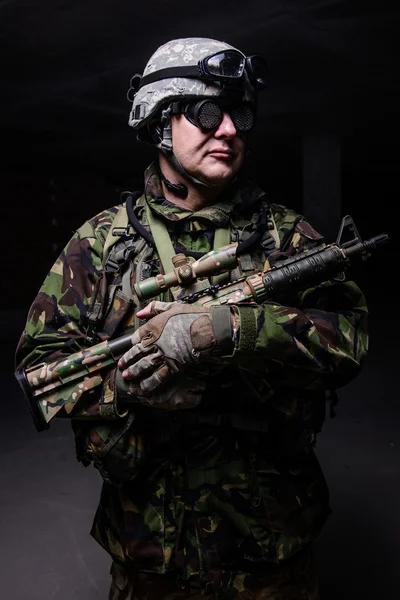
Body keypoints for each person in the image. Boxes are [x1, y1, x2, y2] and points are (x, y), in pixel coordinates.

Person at [15, 37, 368, 599]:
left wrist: (232, 331)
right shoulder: (103, 243)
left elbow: (349, 339)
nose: (228, 130)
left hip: (271, 550)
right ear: (159, 123)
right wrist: (126, 389)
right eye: (206, 113)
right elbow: (43, 367)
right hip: (151, 553)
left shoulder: (286, 236)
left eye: (239, 114)